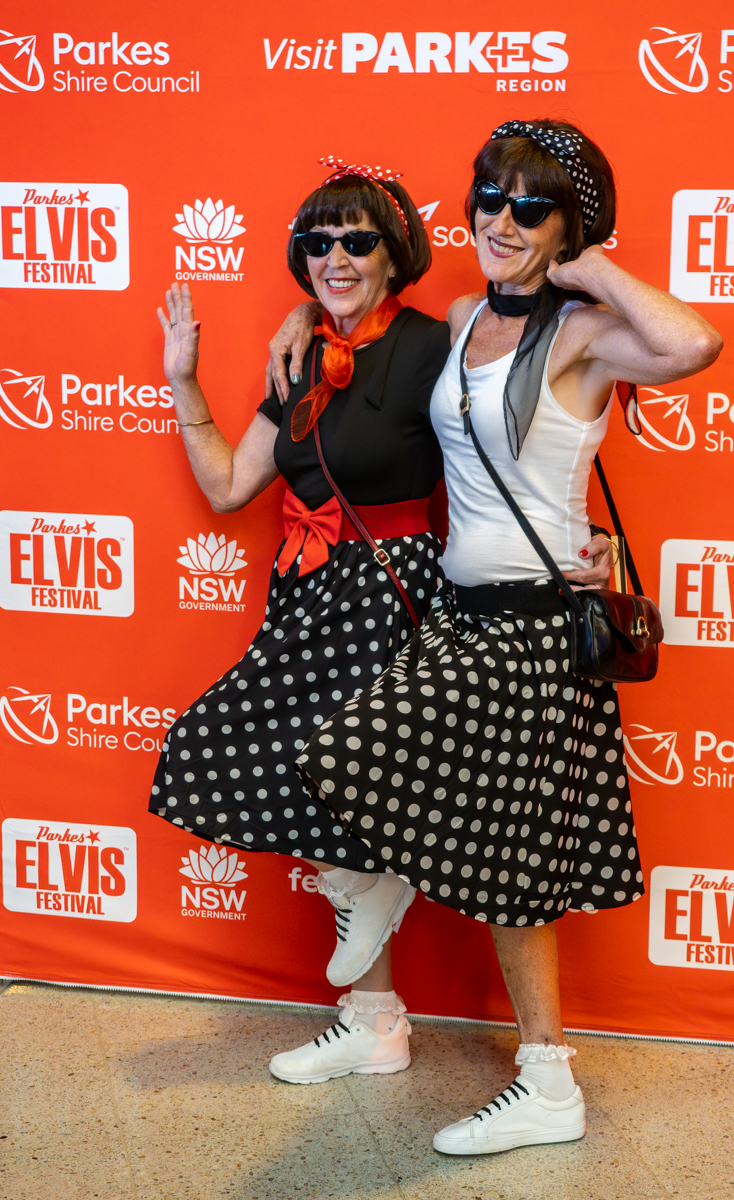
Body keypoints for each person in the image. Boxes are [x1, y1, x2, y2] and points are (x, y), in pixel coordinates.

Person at [292, 119, 723, 1154]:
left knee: (513, 867)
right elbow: (371, 331)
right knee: (446, 820)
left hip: (535, 627)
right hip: (458, 608)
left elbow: (692, 345)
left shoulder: (579, 334)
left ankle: (545, 1083)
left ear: (568, 227)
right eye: (490, 198)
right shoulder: (461, 316)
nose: (502, 220)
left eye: (532, 208)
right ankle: (388, 927)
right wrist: (300, 321)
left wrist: (591, 265)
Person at [149, 157, 450, 1074]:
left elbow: (500, 454)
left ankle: (376, 939)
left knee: (346, 783)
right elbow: (227, 484)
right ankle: (375, 1021)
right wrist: (183, 379)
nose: (336, 258)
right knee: (232, 755)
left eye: (358, 240)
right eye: (318, 244)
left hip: (392, 591)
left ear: (396, 254)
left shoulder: (436, 347)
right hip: (310, 590)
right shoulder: (301, 358)